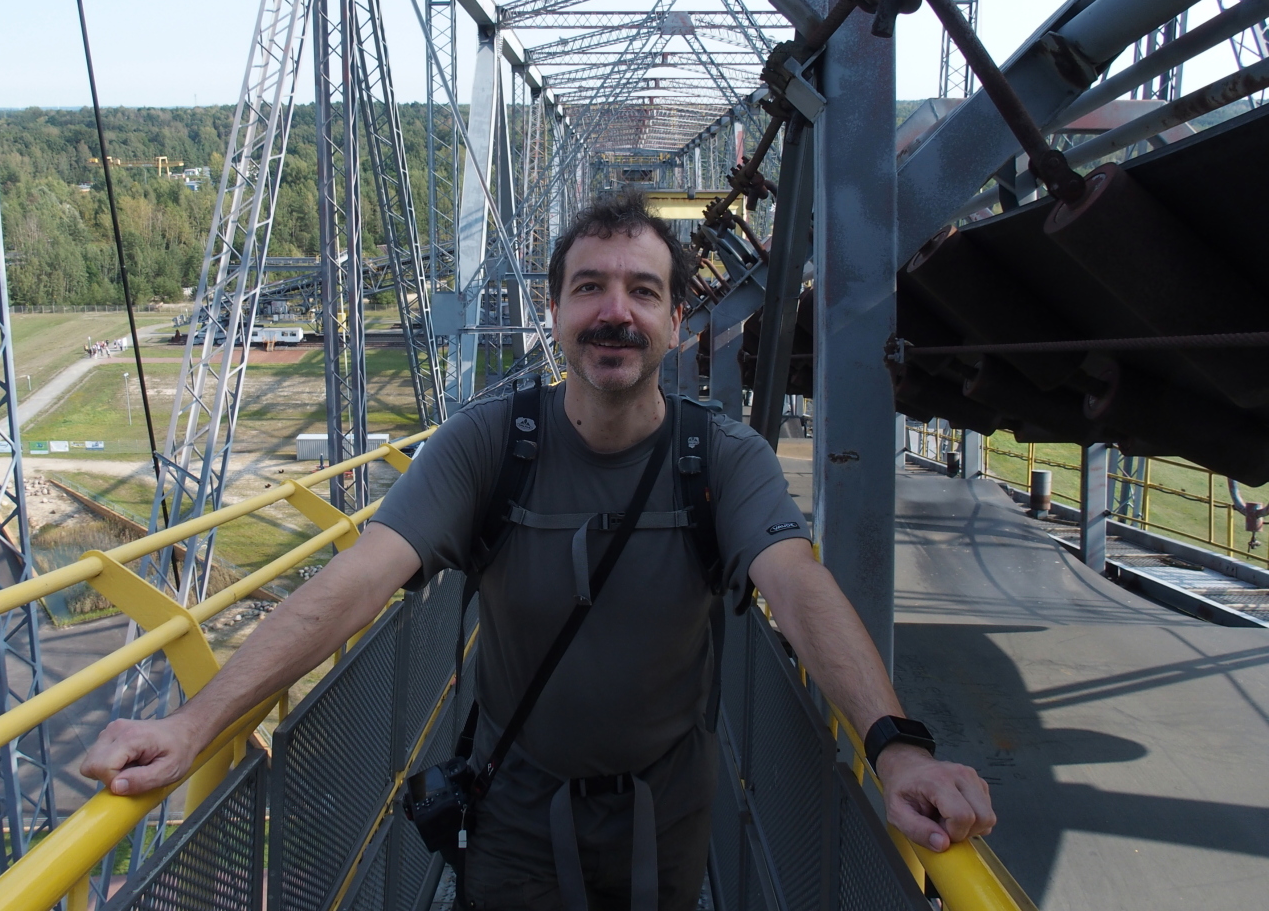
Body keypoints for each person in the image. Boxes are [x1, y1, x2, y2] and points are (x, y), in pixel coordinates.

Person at [81, 192, 994, 910]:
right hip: (516, 815)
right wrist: (195, 724)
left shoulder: (720, 455)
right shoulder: (489, 444)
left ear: (678, 324)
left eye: (643, 291)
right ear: (553, 311)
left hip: (667, 818)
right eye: (591, 287)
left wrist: (897, 750)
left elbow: (796, 586)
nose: (615, 312)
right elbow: (358, 581)